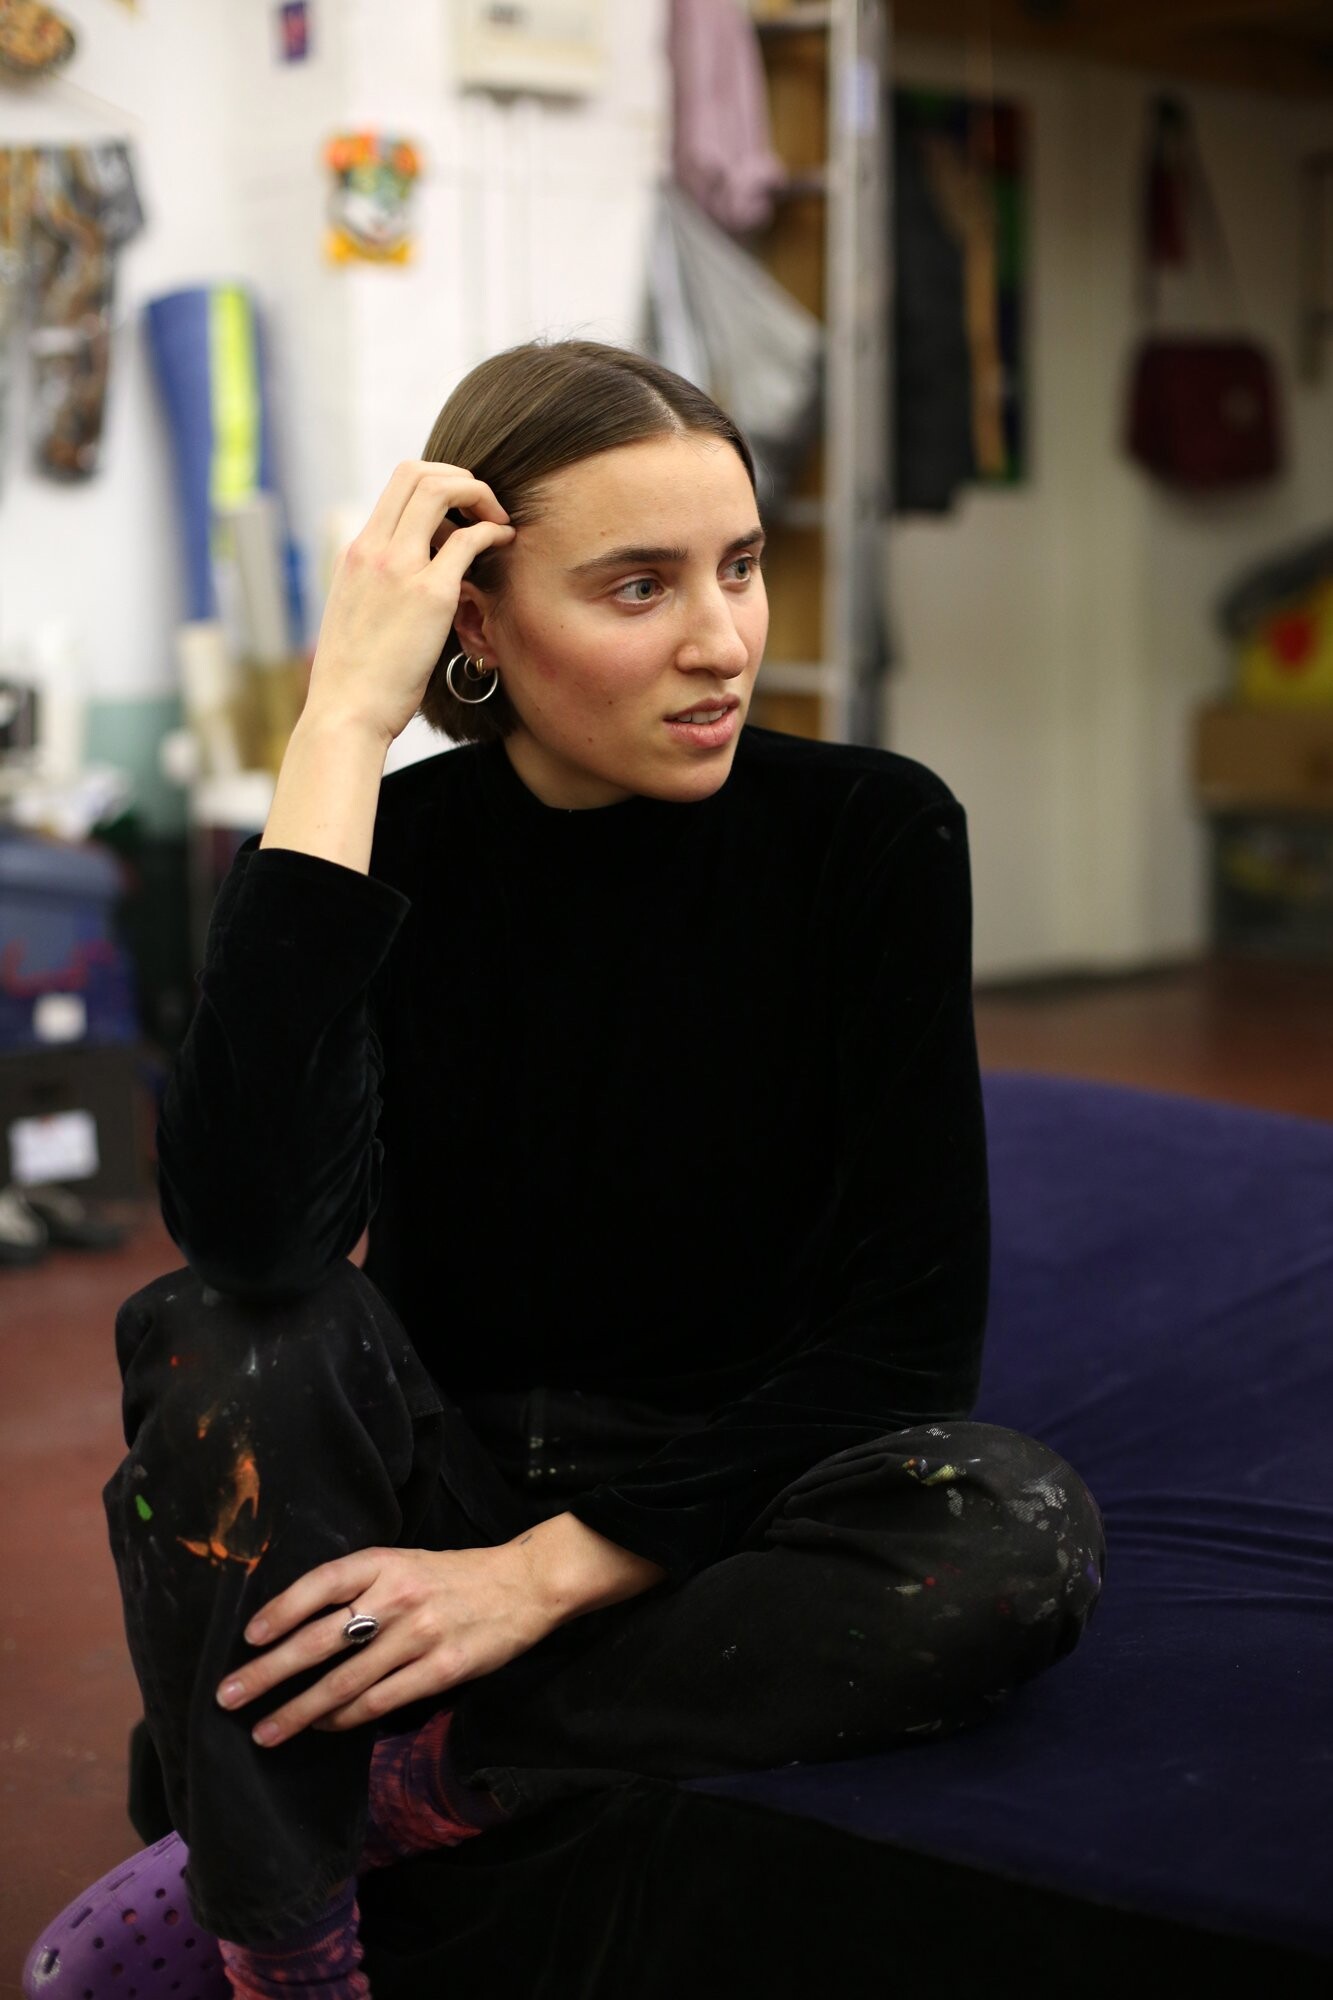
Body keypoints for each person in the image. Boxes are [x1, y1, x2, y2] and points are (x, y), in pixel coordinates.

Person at [35, 340, 1106, 2000]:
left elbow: (906, 1335)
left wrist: (534, 1583)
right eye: (636, 587)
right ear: (477, 619)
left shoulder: (870, 833)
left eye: (740, 566)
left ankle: (356, 1790)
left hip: (717, 1503)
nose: (723, 641)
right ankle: (284, 1949)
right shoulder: (396, 847)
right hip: (436, 1471)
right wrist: (340, 725)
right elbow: (251, 1232)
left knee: (1007, 1534)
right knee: (219, 1334)